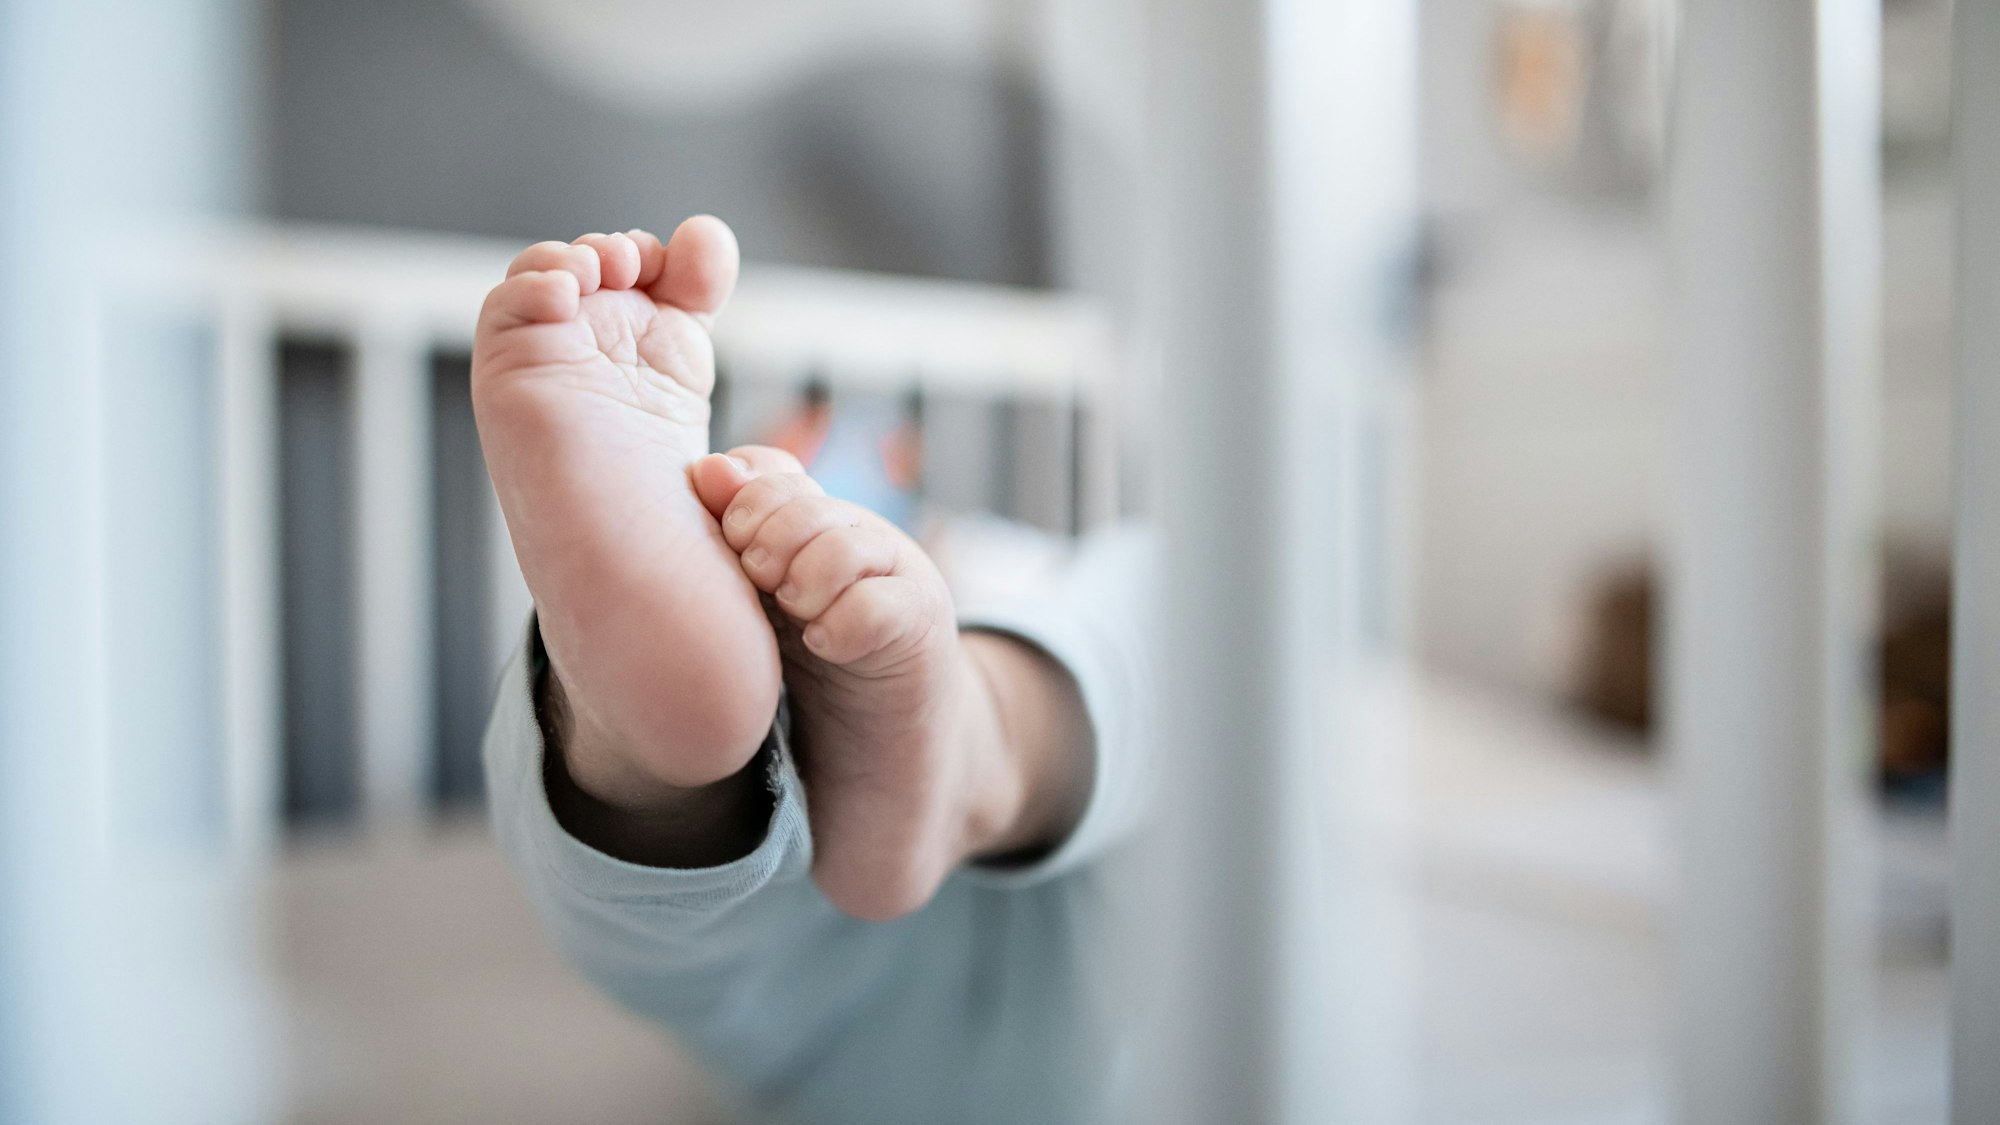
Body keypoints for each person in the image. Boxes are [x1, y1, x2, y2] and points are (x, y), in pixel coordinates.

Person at [474, 216, 1152, 1123]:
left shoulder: (993, 561)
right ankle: (672, 754)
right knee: (1187, 606)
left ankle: (649, 775)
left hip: (852, 1031)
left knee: (694, 929)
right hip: (1112, 1009)